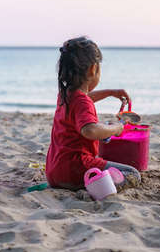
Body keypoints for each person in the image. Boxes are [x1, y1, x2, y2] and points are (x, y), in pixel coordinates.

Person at [45, 36, 141, 191]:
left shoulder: (65, 95)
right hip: (74, 170)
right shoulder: (82, 102)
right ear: (93, 69)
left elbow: (85, 99)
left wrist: (110, 92)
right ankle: (94, 187)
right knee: (132, 174)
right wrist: (116, 128)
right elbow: (89, 130)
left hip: (54, 172)